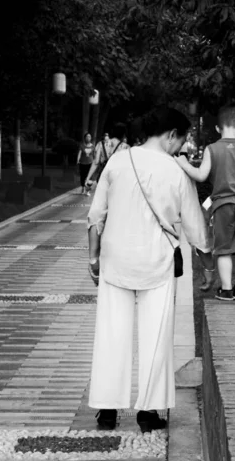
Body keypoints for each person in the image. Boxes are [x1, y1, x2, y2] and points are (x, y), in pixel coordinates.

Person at [87, 107, 213, 432]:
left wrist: (93, 258)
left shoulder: (118, 161)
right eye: (182, 141)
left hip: (116, 260)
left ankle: (107, 410)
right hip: (157, 262)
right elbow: (195, 228)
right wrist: (207, 261)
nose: (181, 148)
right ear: (171, 134)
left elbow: (96, 215)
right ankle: (148, 411)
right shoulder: (176, 172)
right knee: (156, 336)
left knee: (111, 334)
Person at [175, 102, 235, 302]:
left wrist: (183, 163)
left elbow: (201, 175)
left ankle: (226, 290)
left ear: (218, 128)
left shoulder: (212, 149)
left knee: (224, 249)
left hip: (221, 207)